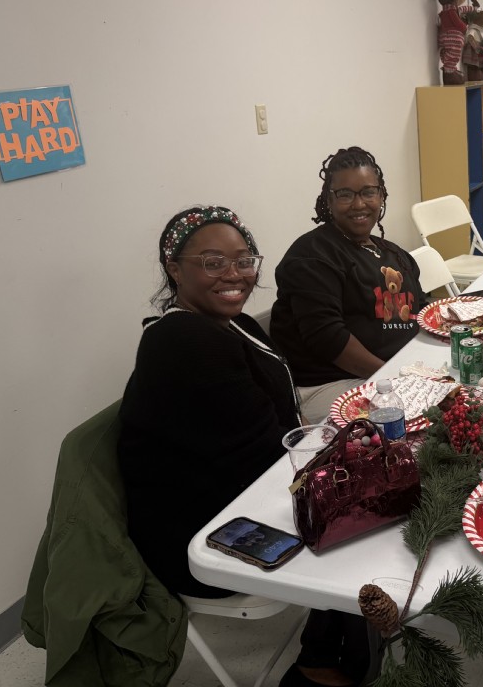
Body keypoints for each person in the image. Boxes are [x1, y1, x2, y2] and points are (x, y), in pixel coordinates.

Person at [118, 206, 366, 687]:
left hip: (240, 489)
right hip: (202, 529)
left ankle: (330, 648)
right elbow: (265, 456)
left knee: (370, 491)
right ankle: (322, 667)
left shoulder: (233, 324)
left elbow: (275, 432)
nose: (234, 274)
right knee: (367, 522)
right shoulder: (182, 341)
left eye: (243, 260)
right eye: (213, 262)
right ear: (175, 269)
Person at [270, 147, 425, 421]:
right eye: (345, 194)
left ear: (381, 195)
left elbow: (420, 310)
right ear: (328, 201)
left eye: (368, 192)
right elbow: (328, 339)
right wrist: (392, 378)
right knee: (428, 414)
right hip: (331, 384)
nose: (359, 204)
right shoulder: (312, 255)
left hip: (396, 369)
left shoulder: (394, 253)